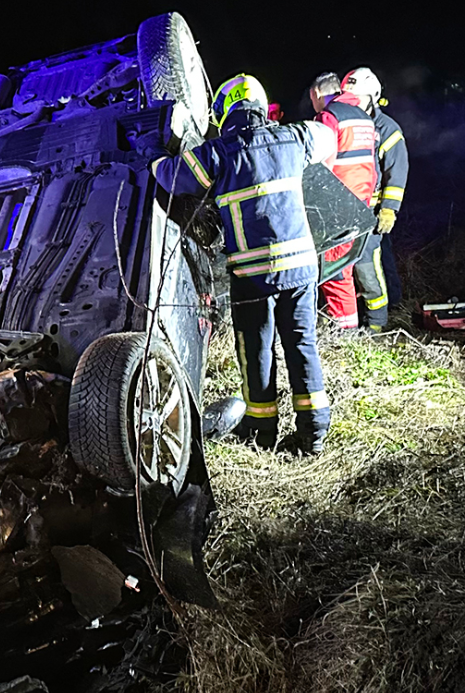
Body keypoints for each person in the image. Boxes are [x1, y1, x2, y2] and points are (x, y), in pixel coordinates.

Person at [140, 74, 337, 454]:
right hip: (300, 270)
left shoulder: (220, 152)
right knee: (302, 346)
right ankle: (313, 434)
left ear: (224, 112)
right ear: (262, 108)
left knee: (256, 351)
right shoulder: (294, 137)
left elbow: (172, 176)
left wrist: (152, 157)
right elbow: (329, 139)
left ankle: (261, 432)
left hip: (253, 276)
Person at [308, 71, 379, 330]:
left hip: (335, 204)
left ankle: (344, 333)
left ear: (316, 94)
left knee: (334, 272)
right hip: (361, 203)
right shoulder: (364, 118)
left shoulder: (329, 116)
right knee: (343, 268)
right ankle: (343, 328)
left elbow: (321, 166)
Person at [342, 67, 409, 330]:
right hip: (345, 211)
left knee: (368, 270)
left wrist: (389, 209)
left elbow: (397, 170)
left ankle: (377, 325)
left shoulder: (387, 129)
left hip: (370, 215)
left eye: (357, 97)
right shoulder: (347, 123)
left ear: (372, 97)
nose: (352, 102)